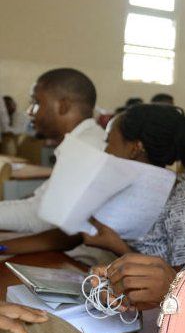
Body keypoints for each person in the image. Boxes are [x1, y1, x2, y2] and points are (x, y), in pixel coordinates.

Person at [0, 103, 185, 266]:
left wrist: (118, 246)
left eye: (108, 141)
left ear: (135, 148)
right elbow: (69, 235)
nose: (105, 150)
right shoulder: (118, 183)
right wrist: (4, 248)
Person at [0, 69, 106, 232]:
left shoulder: (85, 148)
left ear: (63, 106)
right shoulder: (82, 140)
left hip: (81, 255)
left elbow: (41, 217)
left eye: (36, 103)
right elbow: (39, 203)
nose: (29, 111)